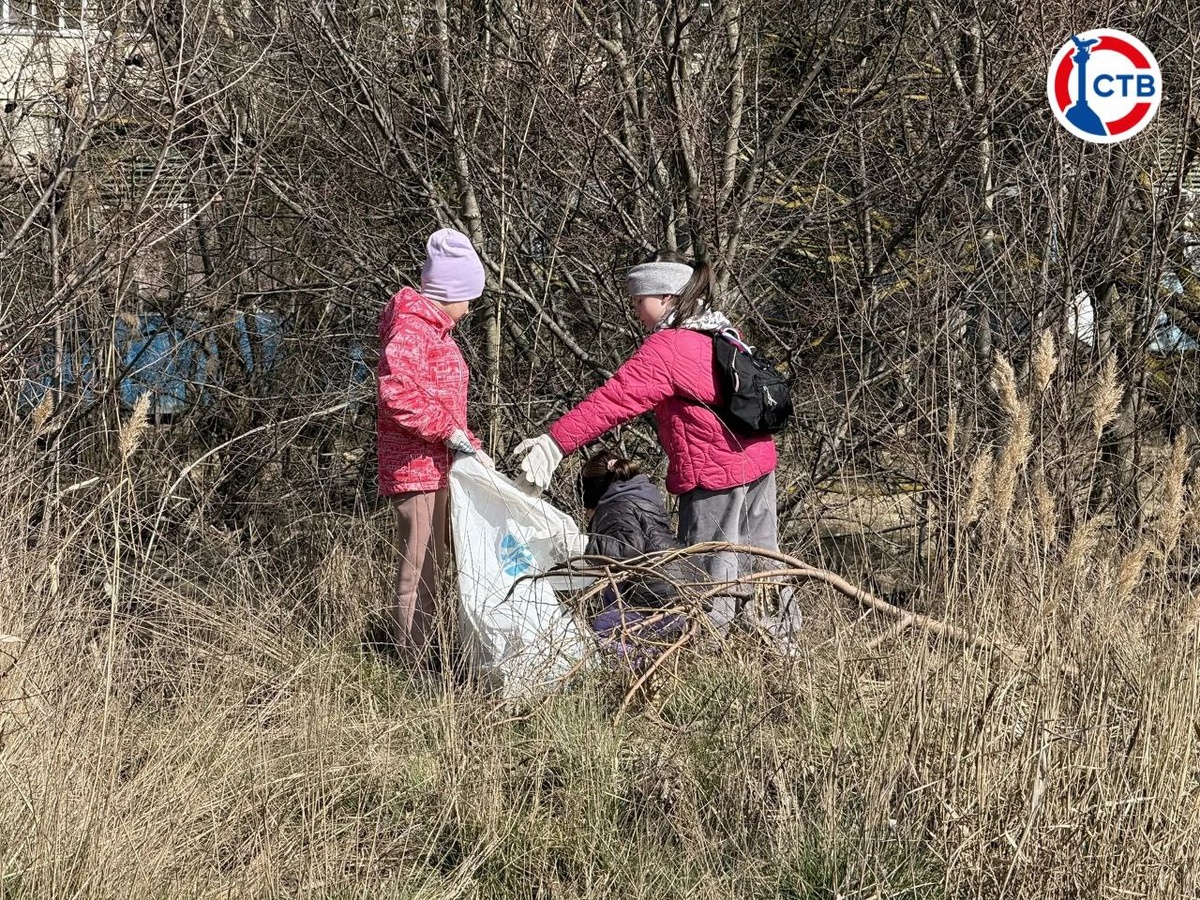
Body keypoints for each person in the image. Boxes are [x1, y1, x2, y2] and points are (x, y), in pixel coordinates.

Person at [514, 249, 799, 640]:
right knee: (764, 564)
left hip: (714, 475)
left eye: (639, 299)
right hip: (758, 464)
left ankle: (708, 650)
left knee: (709, 572)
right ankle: (780, 642)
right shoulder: (719, 332)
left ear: (666, 296)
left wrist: (554, 442)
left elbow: (614, 400)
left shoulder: (668, 347)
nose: (635, 308)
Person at [376, 227, 493, 668]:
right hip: (414, 469)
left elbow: (442, 404)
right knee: (419, 569)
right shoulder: (412, 329)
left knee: (436, 565)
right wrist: (449, 433)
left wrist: (469, 445)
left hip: (437, 464)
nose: (471, 307)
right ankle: (413, 664)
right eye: (469, 297)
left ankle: (430, 652)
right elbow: (395, 394)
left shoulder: (436, 331)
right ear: (451, 291)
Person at [577, 448, 695, 662]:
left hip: (656, 593)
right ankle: (663, 660)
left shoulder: (613, 508)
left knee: (605, 628)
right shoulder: (644, 498)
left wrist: (584, 547)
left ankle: (645, 665)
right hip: (686, 586)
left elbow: (629, 548)